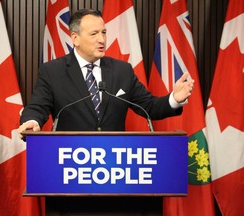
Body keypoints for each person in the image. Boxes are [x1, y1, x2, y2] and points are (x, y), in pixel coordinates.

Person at [17, 9, 194, 137]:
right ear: (75, 38)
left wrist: (174, 99)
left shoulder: (122, 70)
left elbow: (149, 107)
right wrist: (32, 121)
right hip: (69, 162)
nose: (102, 40)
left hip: (114, 163)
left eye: (103, 33)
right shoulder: (53, 71)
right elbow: (37, 106)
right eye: (94, 34)